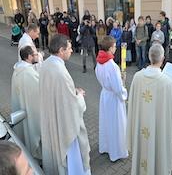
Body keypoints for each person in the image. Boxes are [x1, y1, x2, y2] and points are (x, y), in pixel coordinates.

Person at [40, 34, 91, 175]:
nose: (71, 51)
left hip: (53, 115)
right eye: (69, 48)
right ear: (61, 50)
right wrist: (79, 96)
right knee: (73, 161)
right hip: (65, 126)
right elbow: (72, 106)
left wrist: (72, 90)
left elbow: (56, 90)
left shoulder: (47, 63)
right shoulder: (61, 72)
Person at [127, 43, 172, 175]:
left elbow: (132, 105)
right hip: (158, 132)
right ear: (162, 60)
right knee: (158, 157)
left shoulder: (137, 77)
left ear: (149, 57)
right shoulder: (168, 83)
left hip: (141, 128)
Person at [95, 36, 128, 161]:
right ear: (109, 48)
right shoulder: (112, 65)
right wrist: (124, 93)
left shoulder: (99, 61)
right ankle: (117, 151)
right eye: (114, 46)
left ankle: (106, 146)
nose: (116, 48)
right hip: (114, 98)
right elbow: (118, 88)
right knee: (116, 124)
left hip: (105, 94)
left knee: (107, 123)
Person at [11, 46, 41, 160]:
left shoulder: (18, 69)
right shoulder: (28, 72)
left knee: (25, 130)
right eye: (34, 55)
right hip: (30, 109)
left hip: (22, 105)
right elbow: (40, 89)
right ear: (29, 57)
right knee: (32, 131)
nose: (36, 56)